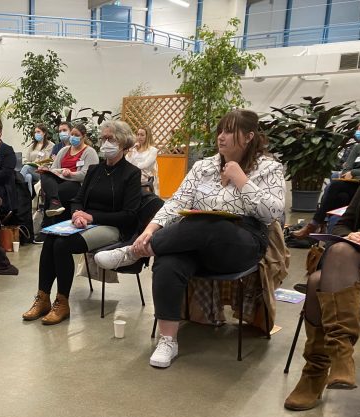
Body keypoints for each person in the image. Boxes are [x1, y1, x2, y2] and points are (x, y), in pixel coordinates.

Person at [95, 109, 285, 368]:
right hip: (196, 241)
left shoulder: (268, 168)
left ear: (249, 136)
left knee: (211, 224)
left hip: (241, 243)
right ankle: (168, 340)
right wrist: (150, 229)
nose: (222, 137)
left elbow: (274, 212)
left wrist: (242, 180)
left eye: (230, 131)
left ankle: (134, 252)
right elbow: (176, 202)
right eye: (220, 130)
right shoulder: (203, 166)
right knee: (168, 261)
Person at [21, 121, 142, 325]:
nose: (105, 143)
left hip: (112, 227)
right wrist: (77, 212)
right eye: (103, 138)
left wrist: (92, 217)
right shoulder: (95, 170)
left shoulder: (131, 173)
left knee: (62, 245)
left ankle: (62, 301)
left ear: (122, 142)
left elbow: (129, 215)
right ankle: (42, 298)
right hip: (84, 222)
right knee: (50, 238)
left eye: (110, 139)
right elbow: (78, 197)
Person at [284, 169, 360, 410]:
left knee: (317, 284)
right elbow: (343, 224)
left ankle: (317, 372)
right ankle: (339, 356)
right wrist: (352, 235)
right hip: (358, 254)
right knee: (340, 251)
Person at [294, 116, 360, 238]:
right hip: (354, 186)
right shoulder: (359, 147)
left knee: (337, 189)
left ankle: (316, 225)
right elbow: (346, 169)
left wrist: (355, 172)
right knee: (339, 193)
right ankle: (330, 233)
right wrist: (355, 173)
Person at [38, 123, 99, 218]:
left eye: (77, 135)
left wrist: (70, 174)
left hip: (76, 183)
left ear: (83, 136)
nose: (73, 137)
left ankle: (50, 218)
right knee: (45, 174)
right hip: (60, 179)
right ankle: (55, 203)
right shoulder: (64, 150)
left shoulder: (90, 152)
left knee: (55, 192)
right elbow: (53, 169)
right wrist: (60, 171)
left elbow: (86, 175)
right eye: (72, 135)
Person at [20, 123, 53, 194]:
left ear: (44, 133)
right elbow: (27, 159)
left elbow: (46, 159)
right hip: (32, 170)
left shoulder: (50, 145)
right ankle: (28, 199)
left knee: (26, 168)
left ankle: (17, 186)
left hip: (42, 172)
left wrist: (36, 162)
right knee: (28, 176)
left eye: (38, 132)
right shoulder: (32, 146)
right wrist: (30, 162)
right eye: (35, 132)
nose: (36, 134)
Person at [126, 127, 159, 195]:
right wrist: (131, 150)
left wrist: (132, 165)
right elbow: (126, 163)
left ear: (147, 136)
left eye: (142, 135)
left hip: (146, 180)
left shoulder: (153, 150)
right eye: (138, 134)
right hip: (133, 177)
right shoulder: (134, 149)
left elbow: (144, 165)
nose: (139, 137)